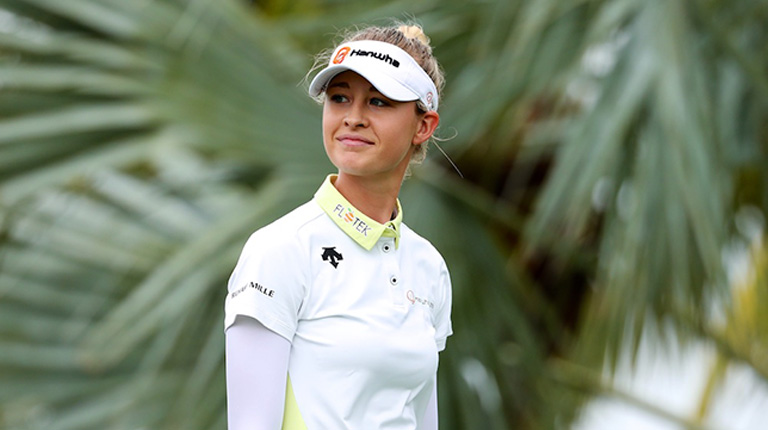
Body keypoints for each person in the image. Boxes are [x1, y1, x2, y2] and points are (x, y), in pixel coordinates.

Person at [224, 22, 453, 430]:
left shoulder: (428, 266)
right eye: (340, 98)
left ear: (423, 126)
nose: (353, 118)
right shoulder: (281, 248)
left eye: (378, 102)